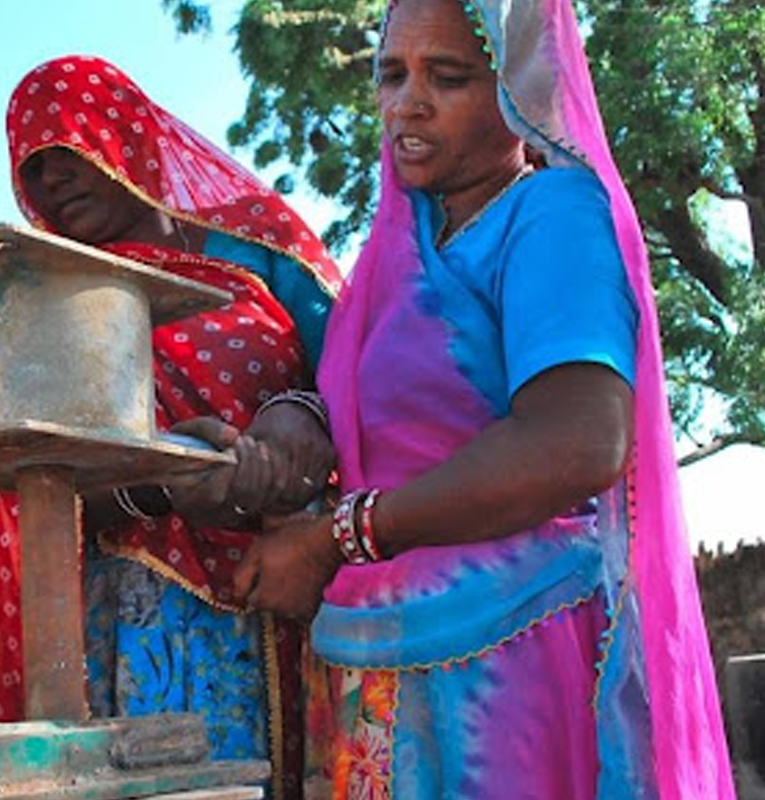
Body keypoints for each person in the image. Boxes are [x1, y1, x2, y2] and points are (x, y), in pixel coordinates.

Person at [235, 0, 735, 797]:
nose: (409, 103)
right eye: (391, 74)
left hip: (510, 668)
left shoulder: (553, 217)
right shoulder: (387, 263)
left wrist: (339, 539)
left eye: (450, 76)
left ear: (517, 87)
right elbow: (360, 412)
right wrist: (285, 423)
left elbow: (576, 443)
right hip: (379, 666)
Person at [0, 55, 342, 799]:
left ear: (129, 134)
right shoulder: (48, 295)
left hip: (306, 577)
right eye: (35, 167)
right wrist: (168, 485)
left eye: (73, 149)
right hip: (143, 615)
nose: (55, 177)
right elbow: (32, 489)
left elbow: (358, 371)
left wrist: (299, 419)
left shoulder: (259, 251)